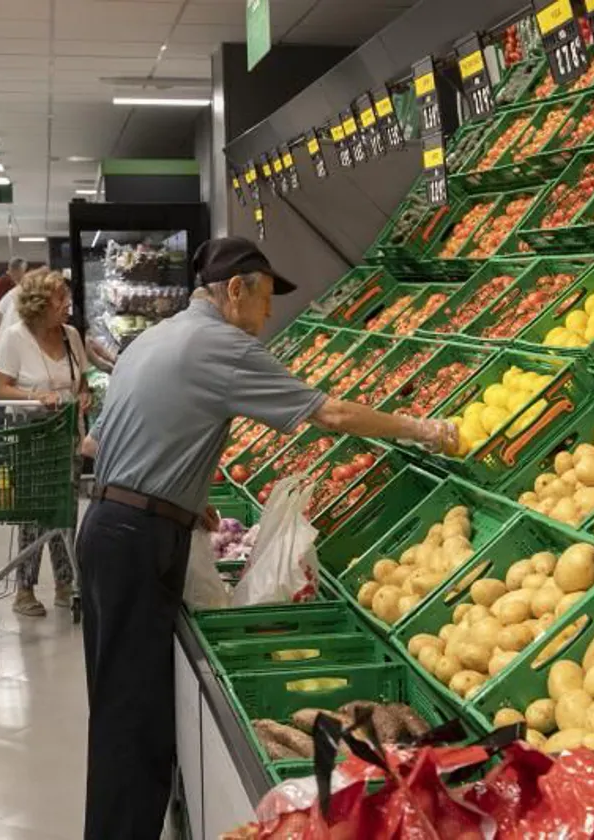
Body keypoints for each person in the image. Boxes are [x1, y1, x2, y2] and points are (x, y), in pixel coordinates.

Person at [76, 237, 457, 839]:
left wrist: (184, 495)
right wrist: (423, 429)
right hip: (137, 538)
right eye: (264, 299)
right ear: (235, 291)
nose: (269, 315)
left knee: (119, 710)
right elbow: (329, 415)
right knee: (134, 722)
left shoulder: (156, 338)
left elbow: (102, 441)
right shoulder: (220, 344)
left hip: (106, 526)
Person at [0, 269, 89, 618]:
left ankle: (66, 583)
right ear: (39, 305)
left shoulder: (71, 336)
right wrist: (35, 395)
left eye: (66, 297)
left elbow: (81, 381)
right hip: (30, 434)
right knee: (34, 513)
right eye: (60, 299)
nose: (67, 305)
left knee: (65, 511)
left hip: (67, 434)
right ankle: (25, 589)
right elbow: (1, 387)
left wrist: (84, 395)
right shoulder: (16, 338)